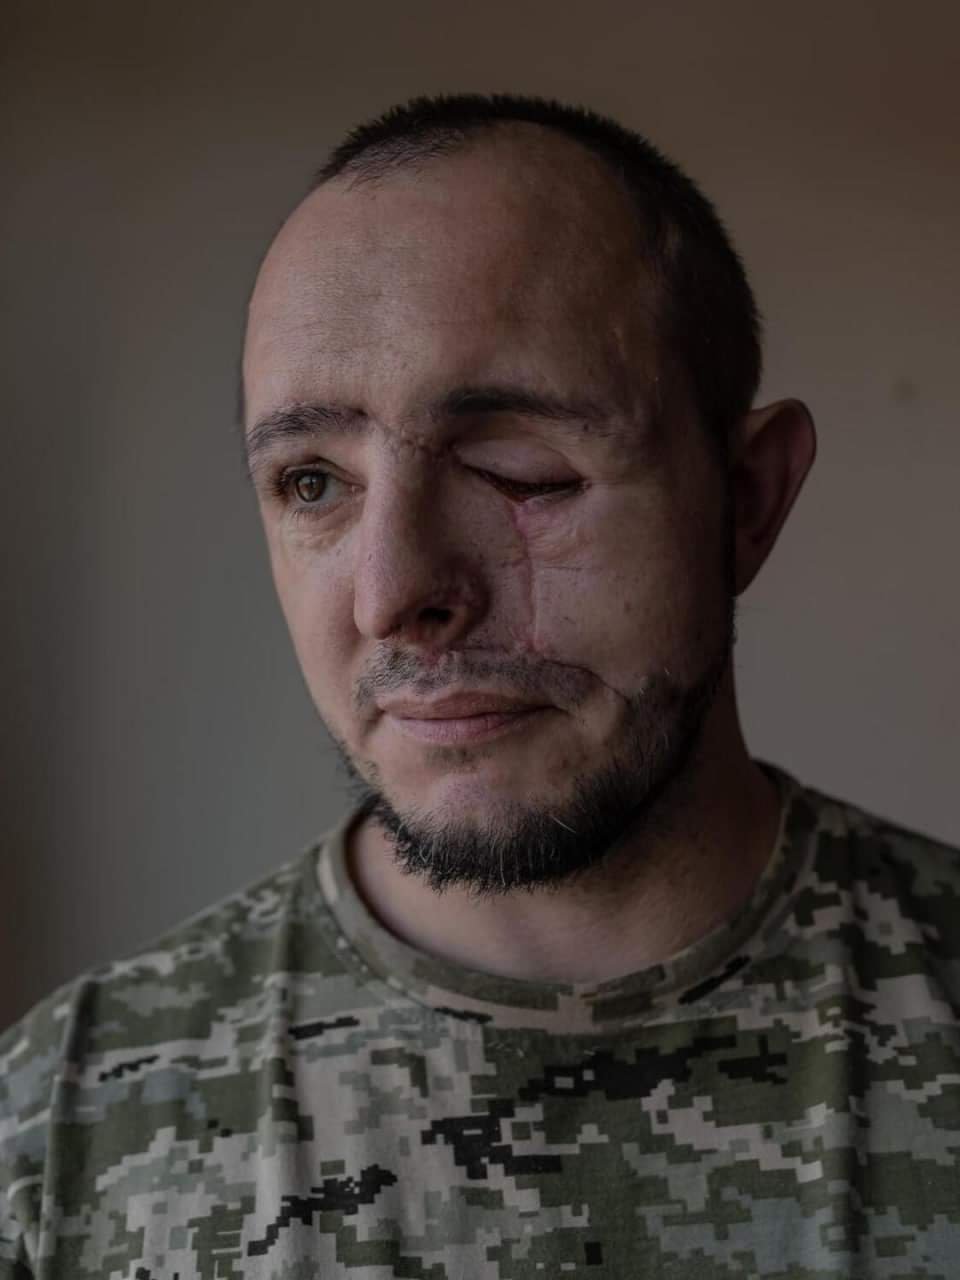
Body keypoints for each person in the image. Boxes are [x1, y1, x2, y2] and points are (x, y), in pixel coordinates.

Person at [1, 92, 958, 1279]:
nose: (392, 591)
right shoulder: (55, 1134)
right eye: (311, 481)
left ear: (748, 500)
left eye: (520, 467)